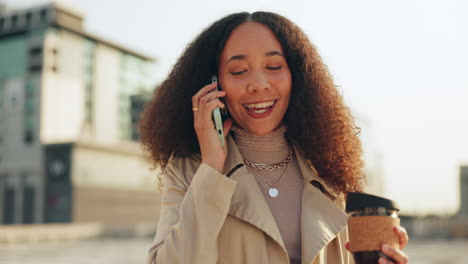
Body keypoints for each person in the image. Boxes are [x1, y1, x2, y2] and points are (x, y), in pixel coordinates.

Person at [139, 11, 409, 264]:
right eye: (238, 71)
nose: (258, 84)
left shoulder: (330, 170)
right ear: (214, 84)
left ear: (297, 77)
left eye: (274, 66)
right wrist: (211, 167)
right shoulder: (188, 171)